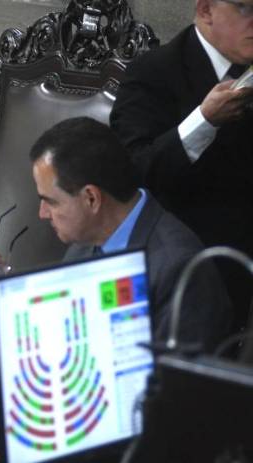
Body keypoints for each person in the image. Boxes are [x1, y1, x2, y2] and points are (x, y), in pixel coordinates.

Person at [0, 117, 231, 351]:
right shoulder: (85, 245)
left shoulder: (179, 269)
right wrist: (10, 297)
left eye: (51, 202)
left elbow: (179, 392)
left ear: (91, 198)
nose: (42, 214)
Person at [110, 0, 253, 327]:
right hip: (189, 269)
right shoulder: (154, 71)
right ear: (206, 11)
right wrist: (204, 120)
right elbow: (132, 174)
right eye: (246, 8)